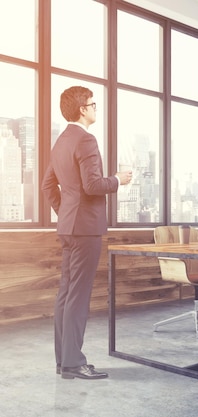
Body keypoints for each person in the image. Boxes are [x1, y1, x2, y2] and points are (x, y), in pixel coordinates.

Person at [42, 86, 132, 380]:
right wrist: (118, 179)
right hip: (85, 229)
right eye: (93, 104)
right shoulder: (86, 140)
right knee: (78, 296)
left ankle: (63, 361)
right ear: (82, 109)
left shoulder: (61, 142)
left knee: (66, 294)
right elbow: (93, 186)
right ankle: (73, 363)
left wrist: (67, 213)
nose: (96, 108)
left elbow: (47, 187)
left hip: (69, 227)